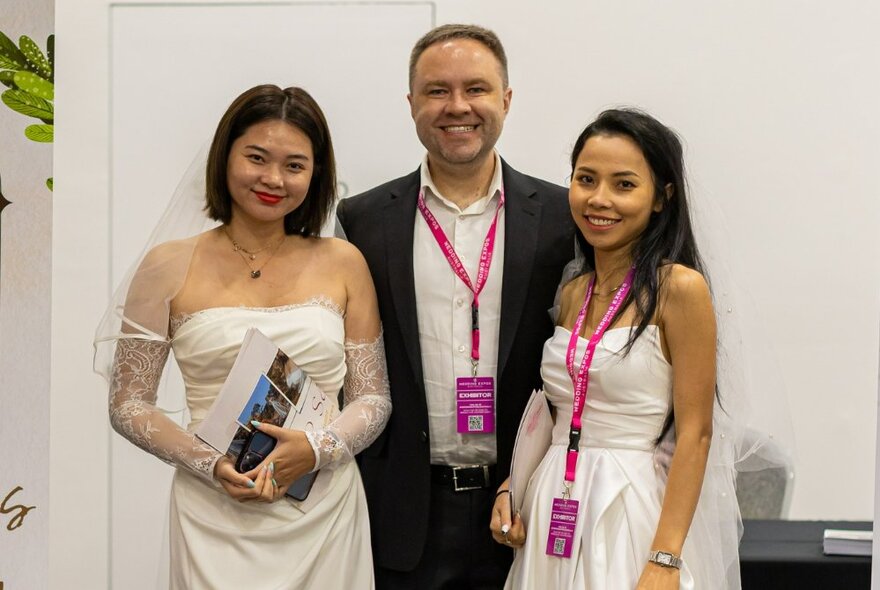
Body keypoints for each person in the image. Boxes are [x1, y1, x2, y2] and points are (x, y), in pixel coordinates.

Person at [95, 84, 391, 589]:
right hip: (213, 510)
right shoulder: (166, 265)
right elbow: (128, 403)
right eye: (257, 157)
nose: (273, 179)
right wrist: (210, 464)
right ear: (225, 155)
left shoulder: (345, 263)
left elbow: (373, 397)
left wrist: (319, 448)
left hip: (321, 508)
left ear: (315, 174)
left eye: (295, 165)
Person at [337, 24, 575, 589]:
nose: (457, 106)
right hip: (402, 510)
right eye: (437, 91)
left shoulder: (566, 218)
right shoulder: (362, 221)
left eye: (476, 88)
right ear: (412, 103)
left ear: (506, 100)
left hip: (522, 503)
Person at [490, 109, 742, 589]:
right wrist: (513, 486)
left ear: (662, 198)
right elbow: (555, 411)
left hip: (629, 505)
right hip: (553, 502)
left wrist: (665, 558)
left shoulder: (679, 290)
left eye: (624, 185)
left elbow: (696, 434)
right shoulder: (572, 291)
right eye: (586, 179)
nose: (599, 199)